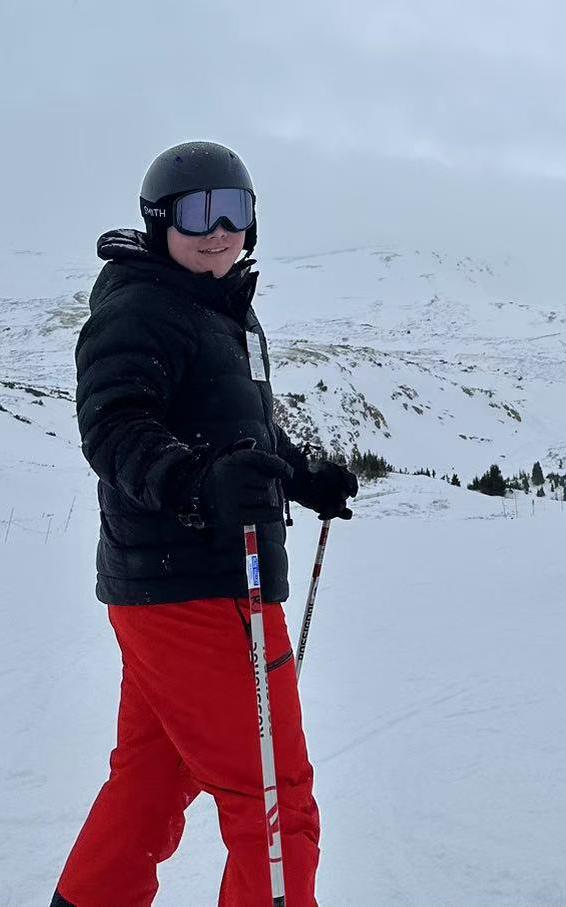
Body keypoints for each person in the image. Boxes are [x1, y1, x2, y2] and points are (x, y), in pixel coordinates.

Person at [51, 141, 357, 907]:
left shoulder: (224, 310)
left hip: (171, 586)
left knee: (152, 780)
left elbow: (244, 432)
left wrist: (300, 476)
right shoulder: (142, 306)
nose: (219, 230)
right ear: (160, 221)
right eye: (197, 213)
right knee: (275, 800)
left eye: (235, 211)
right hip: (201, 586)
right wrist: (196, 483)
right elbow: (115, 426)